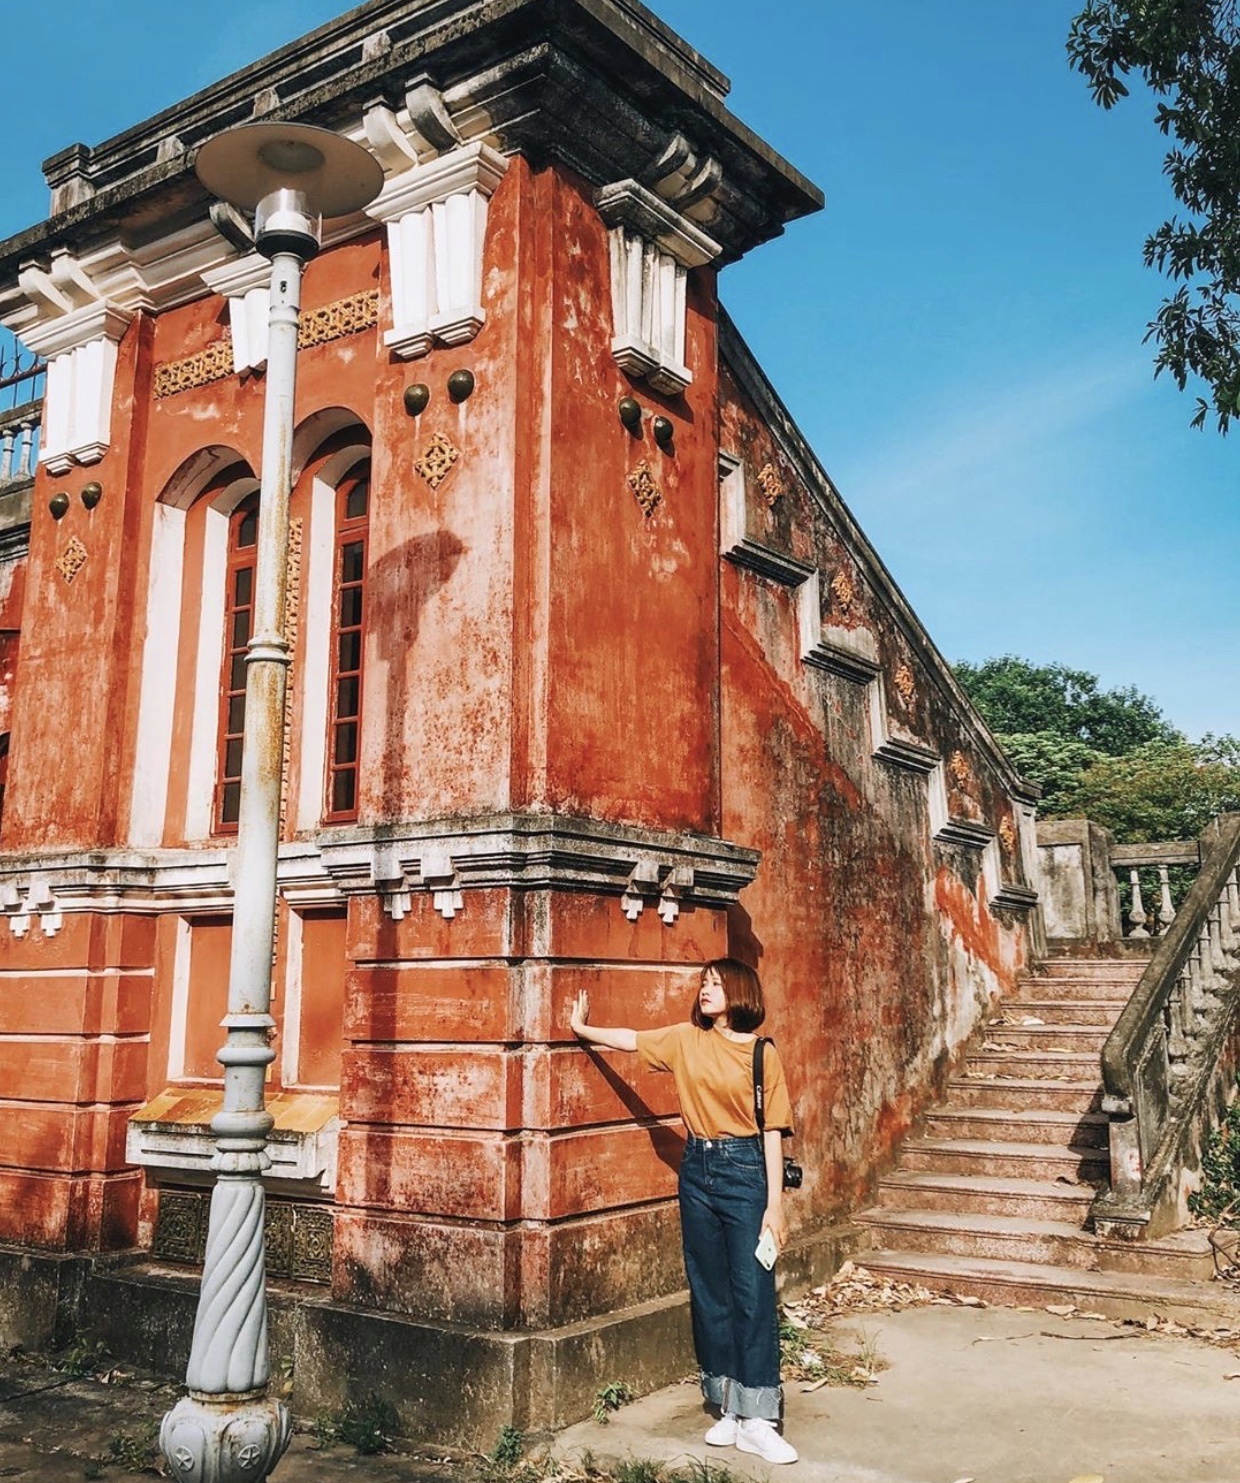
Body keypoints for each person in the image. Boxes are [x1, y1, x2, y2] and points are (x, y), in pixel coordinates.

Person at [570, 956, 797, 1465]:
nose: (705, 990)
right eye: (703, 983)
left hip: (745, 1172)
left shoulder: (761, 1054)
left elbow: (773, 1132)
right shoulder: (684, 1040)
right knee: (710, 1290)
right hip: (697, 1169)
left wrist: (775, 1206)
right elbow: (632, 1039)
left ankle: (759, 1418)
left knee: (752, 1291)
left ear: (739, 992)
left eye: (716, 984)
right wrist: (583, 1030)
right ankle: (728, 1407)